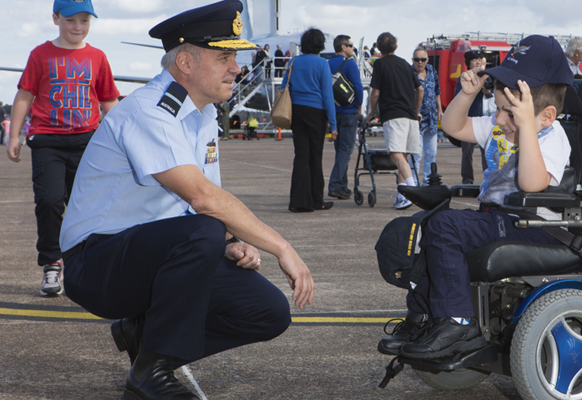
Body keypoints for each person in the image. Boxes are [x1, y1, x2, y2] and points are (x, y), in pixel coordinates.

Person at [59, 1, 315, 399]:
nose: (236, 68)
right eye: (224, 58)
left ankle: (145, 338)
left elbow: (202, 203)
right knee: (203, 230)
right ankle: (150, 373)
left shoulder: (203, 115)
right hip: (96, 263)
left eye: (234, 58)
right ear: (185, 62)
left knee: (268, 311)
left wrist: (232, 242)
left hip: (153, 253)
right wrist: (282, 247)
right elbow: (203, 199)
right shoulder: (148, 111)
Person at [378, 35, 574, 359]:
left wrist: (526, 126)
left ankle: (458, 322)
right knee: (422, 226)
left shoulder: (552, 137)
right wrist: (467, 95)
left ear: (546, 116)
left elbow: (531, 183)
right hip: (498, 220)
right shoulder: (500, 128)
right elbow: (452, 126)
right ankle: (423, 317)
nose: (498, 119)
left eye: (509, 112)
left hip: (534, 225)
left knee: (446, 227)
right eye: (497, 109)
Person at [7, 0, 119, 297]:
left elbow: (108, 100)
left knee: (89, 208)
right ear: (56, 19)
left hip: (87, 142)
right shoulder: (40, 54)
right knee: (49, 201)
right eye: (70, 20)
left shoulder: (98, 57)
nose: (78, 26)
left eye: (85, 20)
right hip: (48, 141)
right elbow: (24, 95)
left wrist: (123, 138)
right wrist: (14, 136)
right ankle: (52, 264)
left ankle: (86, 264)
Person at [280, 28, 338, 212]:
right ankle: (316, 200)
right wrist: (333, 125)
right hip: (316, 112)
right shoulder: (322, 64)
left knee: (301, 156)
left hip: (297, 111)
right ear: (320, 45)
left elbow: (284, 86)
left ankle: (298, 202)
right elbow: (328, 96)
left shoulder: (294, 61)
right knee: (315, 157)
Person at [366, 32, 424, 209]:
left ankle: (412, 190)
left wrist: (371, 113)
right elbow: (420, 89)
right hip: (410, 116)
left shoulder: (380, 64)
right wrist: (416, 111)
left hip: (394, 115)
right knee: (403, 156)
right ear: (396, 46)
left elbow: (375, 93)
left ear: (378, 48)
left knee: (395, 155)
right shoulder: (405, 64)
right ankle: (402, 195)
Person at [327, 35, 363, 200]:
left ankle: (342, 186)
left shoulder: (327, 64)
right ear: (343, 47)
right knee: (346, 151)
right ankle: (335, 185)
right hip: (349, 112)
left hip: (334, 113)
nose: (352, 49)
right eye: (351, 46)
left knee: (340, 151)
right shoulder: (350, 64)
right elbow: (358, 87)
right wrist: (359, 106)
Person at [456, 50, 492, 184]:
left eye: (479, 59)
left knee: (487, 152)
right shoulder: (464, 77)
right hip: (468, 119)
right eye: (474, 60)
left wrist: (487, 92)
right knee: (466, 153)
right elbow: (457, 96)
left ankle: (489, 178)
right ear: (468, 63)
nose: (478, 62)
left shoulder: (486, 76)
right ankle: (467, 180)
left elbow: (492, 95)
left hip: (484, 119)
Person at [409, 47, 443, 186]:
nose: (420, 62)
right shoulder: (409, 73)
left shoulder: (432, 71)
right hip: (416, 120)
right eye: (417, 59)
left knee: (431, 153)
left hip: (431, 119)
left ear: (427, 60)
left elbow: (437, 91)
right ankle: (414, 183)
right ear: (412, 60)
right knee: (416, 154)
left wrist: (440, 109)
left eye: (423, 59)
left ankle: (428, 182)